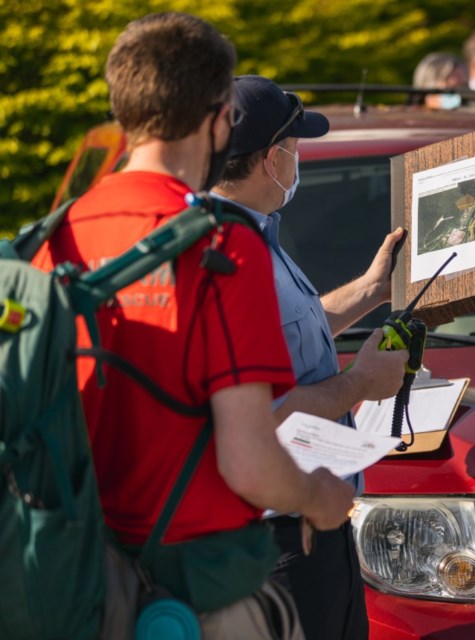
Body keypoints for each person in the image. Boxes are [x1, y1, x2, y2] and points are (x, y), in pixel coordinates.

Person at [31, 13, 357, 638]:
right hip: (195, 590)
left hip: (78, 584)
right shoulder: (222, 248)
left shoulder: (56, 238)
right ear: (218, 119)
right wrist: (321, 499)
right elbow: (249, 459)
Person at [213, 75, 408, 640]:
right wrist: (359, 383)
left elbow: (287, 338)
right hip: (278, 544)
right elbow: (263, 409)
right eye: (295, 150)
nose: (298, 162)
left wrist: (372, 290)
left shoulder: (254, 239)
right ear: (272, 159)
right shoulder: (229, 256)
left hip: (313, 529)